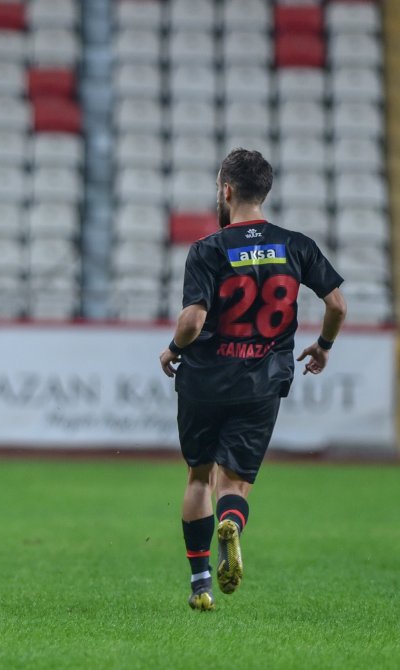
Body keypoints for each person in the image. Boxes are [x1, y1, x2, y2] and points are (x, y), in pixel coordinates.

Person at [159, 148, 347, 612]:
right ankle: (232, 524)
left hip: (205, 379)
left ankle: (201, 582)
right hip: (262, 382)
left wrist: (173, 350)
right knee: (236, 484)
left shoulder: (208, 249)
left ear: (226, 190)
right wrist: (323, 346)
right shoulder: (296, 244)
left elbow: (192, 320)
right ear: (265, 191)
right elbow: (338, 305)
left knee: (199, 477)